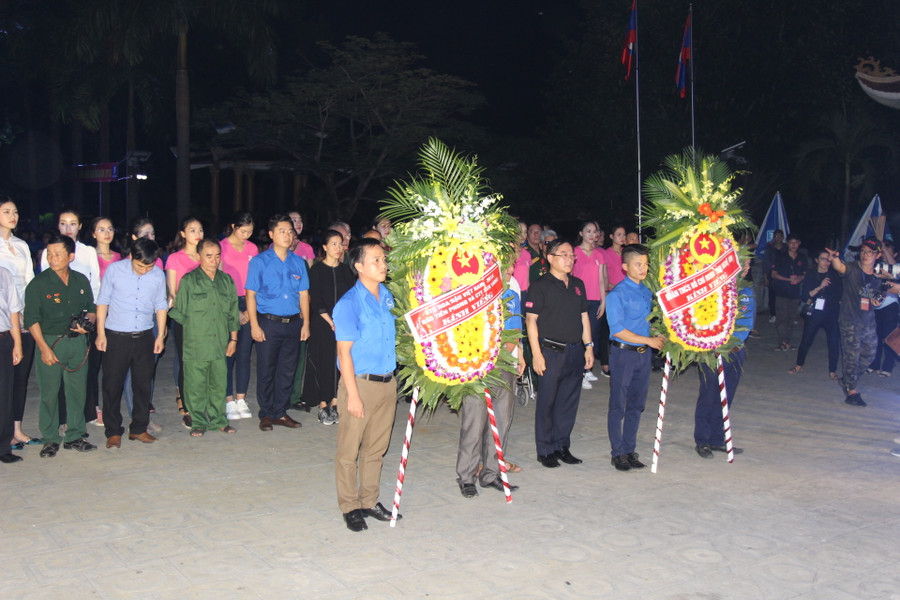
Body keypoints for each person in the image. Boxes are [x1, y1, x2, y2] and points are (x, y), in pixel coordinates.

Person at [333, 239, 400, 531]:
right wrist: (352, 395)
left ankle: (369, 500)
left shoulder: (388, 297)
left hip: (387, 383)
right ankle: (350, 506)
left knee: (376, 449)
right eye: (375, 260)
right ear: (359, 266)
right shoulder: (348, 304)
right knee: (349, 451)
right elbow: (344, 353)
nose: (383, 265)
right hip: (359, 383)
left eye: (383, 260)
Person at [456, 263, 526, 497]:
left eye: (511, 267)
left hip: (502, 364)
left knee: (502, 421)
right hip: (475, 367)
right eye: (503, 267)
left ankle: (491, 473)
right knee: (474, 423)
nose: (509, 271)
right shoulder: (474, 293)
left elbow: (514, 332)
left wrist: (505, 356)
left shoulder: (511, 294)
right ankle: (466, 476)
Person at [25, 234, 98, 457]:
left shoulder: (80, 281)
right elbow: (31, 320)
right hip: (50, 341)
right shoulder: (38, 284)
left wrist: (88, 325)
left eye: (57, 254)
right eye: (49, 254)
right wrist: (44, 348)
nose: (52, 258)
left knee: (77, 391)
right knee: (50, 392)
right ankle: (50, 438)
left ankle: (75, 435)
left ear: (71, 256)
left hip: (77, 343)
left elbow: (91, 309)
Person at [525, 239, 594, 469]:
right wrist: (536, 354)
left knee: (568, 402)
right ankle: (545, 450)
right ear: (550, 258)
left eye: (571, 255)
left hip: (575, 351)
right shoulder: (540, 285)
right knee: (547, 402)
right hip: (551, 352)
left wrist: (589, 346)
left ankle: (562, 445)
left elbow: (584, 316)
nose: (569, 259)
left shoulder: (577, 284)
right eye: (563, 254)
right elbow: (531, 321)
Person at [94, 238, 168, 448]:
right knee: (112, 384)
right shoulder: (115, 271)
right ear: (131, 256)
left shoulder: (157, 275)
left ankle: (139, 429)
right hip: (116, 336)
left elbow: (160, 305)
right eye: (140, 266)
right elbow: (103, 301)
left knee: (143, 385)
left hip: (144, 335)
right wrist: (101, 333)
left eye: (149, 266)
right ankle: (113, 431)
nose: (145, 270)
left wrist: (160, 335)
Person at [170, 239, 240, 437]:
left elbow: (232, 313)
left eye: (218, 255)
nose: (214, 260)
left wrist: (233, 339)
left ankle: (219, 419)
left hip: (219, 342)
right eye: (209, 256)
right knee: (195, 384)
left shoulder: (226, 281)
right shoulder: (189, 281)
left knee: (218, 384)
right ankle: (198, 421)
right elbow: (179, 313)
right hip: (196, 342)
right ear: (199, 256)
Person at [246, 215, 310, 431]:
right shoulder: (259, 262)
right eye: (282, 230)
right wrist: (254, 325)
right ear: (271, 234)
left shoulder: (298, 262)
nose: (287, 235)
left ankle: (280, 412)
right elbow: (250, 295)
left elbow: (303, 295)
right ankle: (266, 413)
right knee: (266, 369)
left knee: (287, 370)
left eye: (289, 231)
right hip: (268, 323)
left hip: (293, 322)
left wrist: (306, 323)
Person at [605, 244, 666, 471]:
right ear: (625, 266)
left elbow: (645, 323)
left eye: (646, 264)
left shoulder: (645, 291)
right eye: (638, 264)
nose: (643, 268)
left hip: (642, 355)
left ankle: (629, 449)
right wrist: (648, 340)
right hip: (623, 354)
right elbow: (618, 329)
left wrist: (655, 334)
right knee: (618, 405)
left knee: (636, 405)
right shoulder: (617, 294)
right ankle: (617, 452)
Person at [41, 209, 102, 431]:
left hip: (84, 317)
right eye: (63, 223)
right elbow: (44, 286)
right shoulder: (48, 252)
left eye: (73, 223)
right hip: (56, 321)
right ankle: (61, 418)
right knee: (57, 370)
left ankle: (85, 415)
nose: (68, 228)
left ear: (80, 226)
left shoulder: (87, 252)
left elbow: (95, 285)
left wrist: (90, 318)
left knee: (83, 369)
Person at [827, 237, 900, 406]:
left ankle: (847, 379)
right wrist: (835, 259)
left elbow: (879, 297)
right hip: (850, 319)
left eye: (870, 252)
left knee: (869, 356)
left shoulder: (879, 274)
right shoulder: (852, 268)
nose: (866, 255)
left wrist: (878, 301)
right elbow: (840, 267)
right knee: (851, 355)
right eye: (863, 251)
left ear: (877, 255)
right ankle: (851, 391)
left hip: (868, 321)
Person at [695, 266, 754, 458]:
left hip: (736, 350)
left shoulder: (746, 290)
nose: (746, 269)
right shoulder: (715, 288)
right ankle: (702, 440)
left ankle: (718, 439)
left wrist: (736, 343)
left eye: (748, 266)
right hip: (713, 351)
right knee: (709, 394)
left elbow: (748, 322)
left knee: (726, 396)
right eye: (742, 264)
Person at [304, 230, 355, 425]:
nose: (338, 248)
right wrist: (331, 321)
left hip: (343, 324)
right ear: (324, 247)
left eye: (340, 244)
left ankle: (335, 401)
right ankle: (323, 403)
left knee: (340, 361)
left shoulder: (345, 270)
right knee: (323, 360)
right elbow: (315, 300)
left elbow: (351, 298)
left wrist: (344, 320)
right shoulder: (316, 270)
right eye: (333, 244)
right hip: (322, 323)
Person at [0, 197, 40, 448]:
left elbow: (29, 281)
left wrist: (31, 314)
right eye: (6, 211)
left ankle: (16, 429)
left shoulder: (21, 244)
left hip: (25, 319)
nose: (12, 216)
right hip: (5, 319)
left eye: (15, 211)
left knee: (20, 377)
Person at [220, 212, 258, 421]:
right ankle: (228, 399)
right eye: (243, 231)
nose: (246, 235)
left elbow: (255, 280)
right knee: (229, 353)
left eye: (250, 232)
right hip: (228, 302)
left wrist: (249, 310)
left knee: (244, 353)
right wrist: (233, 311)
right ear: (233, 226)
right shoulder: (222, 247)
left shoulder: (252, 248)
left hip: (249, 300)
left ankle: (241, 399)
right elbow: (218, 280)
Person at [166, 216, 203, 420]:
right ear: (183, 234)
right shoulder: (175, 258)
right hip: (185, 317)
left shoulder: (207, 256)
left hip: (206, 318)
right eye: (192, 230)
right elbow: (172, 293)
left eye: (200, 230)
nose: (197, 234)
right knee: (186, 360)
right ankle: (186, 402)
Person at [788, 250, 842, 379]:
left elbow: (840, 293)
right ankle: (799, 365)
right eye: (823, 259)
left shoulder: (834, 275)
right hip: (815, 312)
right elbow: (806, 296)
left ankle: (832, 371)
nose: (826, 262)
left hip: (831, 313)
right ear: (817, 260)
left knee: (834, 342)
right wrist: (820, 286)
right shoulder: (811, 275)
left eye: (828, 260)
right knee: (806, 339)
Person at [572, 221, 607, 389]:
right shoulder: (575, 252)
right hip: (580, 299)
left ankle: (587, 368)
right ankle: (580, 372)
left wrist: (603, 300)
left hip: (595, 299)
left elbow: (601, 280)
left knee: (592, 334)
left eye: (595, 231)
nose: (593, 235)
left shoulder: (599, 254)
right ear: (581, 233)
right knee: (581, 336)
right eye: (588, 231)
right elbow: (571, 277)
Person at [0, 266, 24, 463]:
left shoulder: (4, 273)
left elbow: (13, 311)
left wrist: (17, 343)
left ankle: (3, 446)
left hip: (3, 339)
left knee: (4, 394)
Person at [771, 234, 807, 351]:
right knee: (781, 317)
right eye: (791, 242)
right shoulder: (780, 256)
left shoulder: (802, 257)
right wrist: (788, 279)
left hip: (795, 292)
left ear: (799, 243)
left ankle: (787, 341)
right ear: (787, 243)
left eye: (795, 242)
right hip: (781, 291)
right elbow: (773, 274)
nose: (793, 245)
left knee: (791, 318)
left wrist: (800, 278)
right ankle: (782, 341)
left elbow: (805, 273)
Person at [869, 240, 899, 377]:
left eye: (888, 252)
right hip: (877, 306)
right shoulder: (878, 266)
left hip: (890, 306)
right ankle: (874, 364)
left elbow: (892, 263)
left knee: (889, 338)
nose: (885, 255)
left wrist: (884, 246)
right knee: (876, 337)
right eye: (883, 252)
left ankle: (887, 367)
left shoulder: (896, 267)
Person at [762, 229, 785, 323]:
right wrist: (765, 277)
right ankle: (773, 314)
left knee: (784, 296)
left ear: (783, 237)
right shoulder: (769, 249)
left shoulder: (786, 248)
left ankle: (784, 315)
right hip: (772, 275)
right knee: (772, 296)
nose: (778, 238)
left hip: (784, 276)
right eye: (776, 236)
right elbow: (766, 264)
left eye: (780, 236)